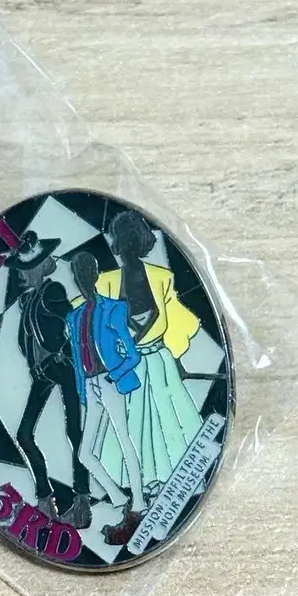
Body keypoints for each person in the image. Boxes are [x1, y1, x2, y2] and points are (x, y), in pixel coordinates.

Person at [94, 210, 203, 495]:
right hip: (125, 366)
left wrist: (176, 356)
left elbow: (179, 321)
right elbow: (95, 324)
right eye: (120, 239)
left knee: (167, 420)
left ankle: (171, 480)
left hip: (159, 362)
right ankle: (139, 483)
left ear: (137, 241)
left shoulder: (162, 277)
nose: (123, 246)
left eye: (128, 239)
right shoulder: (105, 282)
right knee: (132, 423)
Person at [6, 230, 92, 528]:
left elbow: (71, 323)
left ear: (39, 267)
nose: (20, 275)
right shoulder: (27, 300)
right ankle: (45, 500)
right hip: (43, 372)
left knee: (75, 433)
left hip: (63, 368)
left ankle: (82, 503)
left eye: (24, 268)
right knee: (24, 434)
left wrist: (62, 353)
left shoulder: (52, 291)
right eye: (19, 269)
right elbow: (27, 339)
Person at [67, 252, 146, 546]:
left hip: (108, 381)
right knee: (84, 454)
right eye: (78, 275)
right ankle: (119, 497)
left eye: (87, 273)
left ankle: (138, 504)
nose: (83, 279)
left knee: (124, 440)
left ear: (95, 275)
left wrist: (115, 375)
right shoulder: (74, 316)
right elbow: (77, 359)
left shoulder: (113, 309)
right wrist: (83, 391)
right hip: (90, 386)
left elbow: (133, 355)